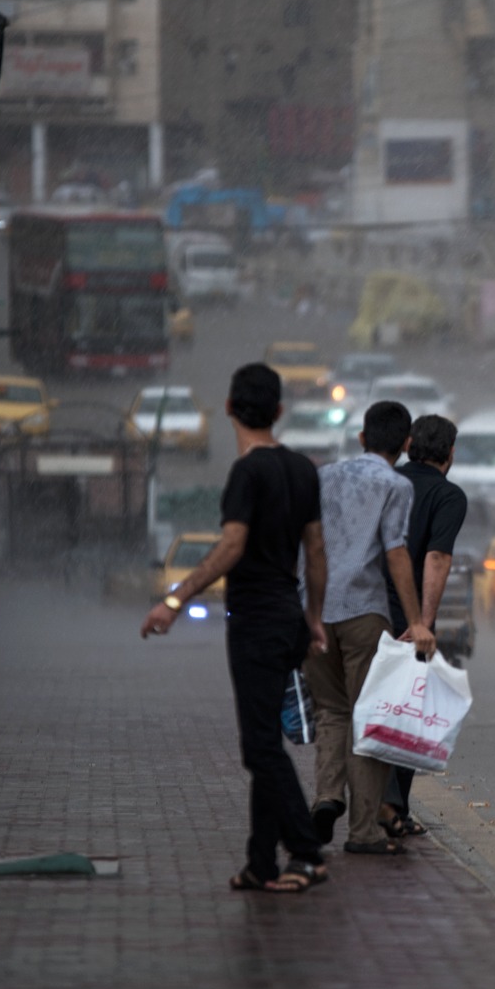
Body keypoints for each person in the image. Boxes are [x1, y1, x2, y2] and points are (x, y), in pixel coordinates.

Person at [141, 363, 329, 894]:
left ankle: (307, 852)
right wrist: (313, 617)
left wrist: (174, 599)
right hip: (289, 617)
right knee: (267, 740)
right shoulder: (301, 469)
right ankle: (261, 862)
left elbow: (231, 547)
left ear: (227, 408)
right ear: (279, 412)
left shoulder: (246, 474)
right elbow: (315, 550)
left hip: (255, 622)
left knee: (260, 748)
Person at [305, 400, 435, 855]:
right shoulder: (394, 485)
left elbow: (308, 541)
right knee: (369, 720)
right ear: (405, 445)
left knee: (331, 712)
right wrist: (416, 621)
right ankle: (363, 831)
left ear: (361, 438)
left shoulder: (322, 476)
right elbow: (396, 551)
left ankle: (326, 797)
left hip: (315, 611)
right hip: (363, 612)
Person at [378, 414, 469, 839]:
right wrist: (423, 623)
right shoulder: (447, 496)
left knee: (367, 706)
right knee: (405, 711)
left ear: (411, 444)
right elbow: (437, 558)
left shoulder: (387, 481)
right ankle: (391, 806)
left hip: (363, 606)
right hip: (403, 614)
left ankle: (372, 802)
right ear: (450, 454)